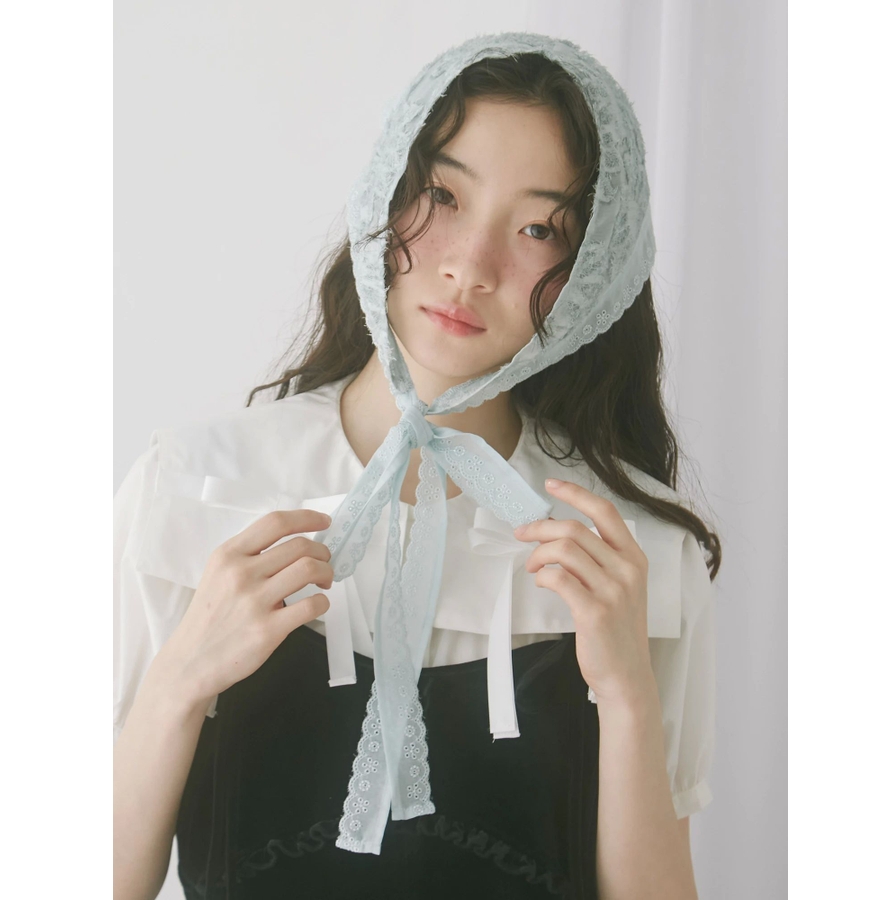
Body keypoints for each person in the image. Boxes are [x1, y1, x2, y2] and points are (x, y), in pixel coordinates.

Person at [114, 32, 721, 900]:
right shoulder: (193, 488)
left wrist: (625, 697)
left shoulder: (636, 553)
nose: (470, 266)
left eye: (538, 228)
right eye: (444, 196)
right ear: (386, 195)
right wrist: (178, 682)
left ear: (593, 269)